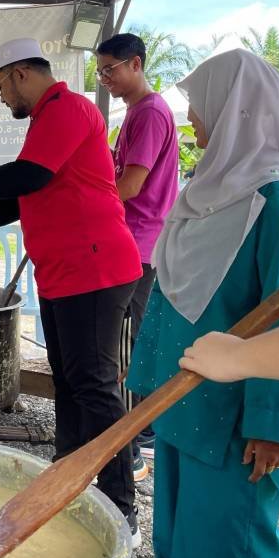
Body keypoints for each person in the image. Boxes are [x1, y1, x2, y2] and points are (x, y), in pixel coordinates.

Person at [126, 49, 279, 558]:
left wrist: (275, 423)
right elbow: (173, 291)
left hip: (239, 421)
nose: (191, 117)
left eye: (199, 104)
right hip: (184, 398)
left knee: (227, 547)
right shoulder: (207, 190)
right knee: (177, 537)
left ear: (237, 107)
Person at [0, 38, 143, 545]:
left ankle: (120, 507)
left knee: (94, 387)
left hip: (95, 268)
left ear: (21, 73)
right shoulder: (47, 122)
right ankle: (66, 477)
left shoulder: (69, 108)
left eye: (2, 86)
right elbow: (28, 193)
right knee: (70, 383)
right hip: (65, 272)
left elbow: (27, 176)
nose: (3, 98)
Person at [96, 32, 179, 481]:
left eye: (111, 69)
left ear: (136, 64)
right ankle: (135, 435)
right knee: (125, 336)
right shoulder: (135, 113)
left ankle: (131, 446)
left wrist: (85, 205)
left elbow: (130, 186)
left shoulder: (149, 113)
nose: (106, 78)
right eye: (101, 72)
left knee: (125, 341)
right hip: (134, 239)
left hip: (139, 243)